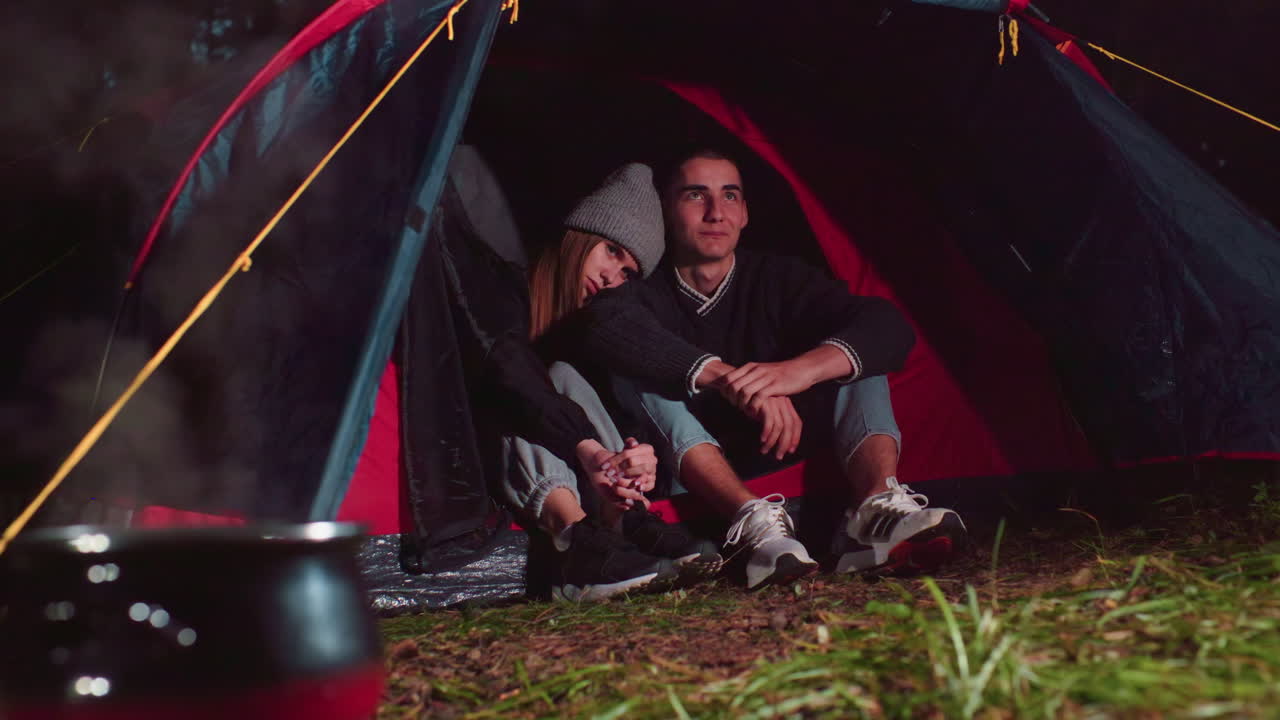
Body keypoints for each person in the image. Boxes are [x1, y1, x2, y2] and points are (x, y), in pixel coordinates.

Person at [573, 150, 967, 590]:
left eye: (729, 196)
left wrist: (795, 373)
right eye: (695, 195)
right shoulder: (645, 287)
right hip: (692, 475)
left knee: (857, 355)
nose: (715, 212)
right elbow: (603, 325)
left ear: (744, 213)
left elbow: (888, 326)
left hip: (782, 449)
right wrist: (733, 381)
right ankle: (751, 526)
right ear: (668, 210)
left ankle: (874, 511)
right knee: (639, 369)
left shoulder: (779, 277)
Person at [474, 163, 721, 602]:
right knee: (534, 387)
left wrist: (634, 462)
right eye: (611, 251)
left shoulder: (586, 330)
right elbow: (507, 375)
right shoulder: (503, 287)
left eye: (627, 273)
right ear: (581, 235)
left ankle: (628, 519)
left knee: (564, 375)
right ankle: (572, 543)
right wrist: (587, 448)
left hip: (577, 475)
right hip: (484, 457)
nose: (611, 277)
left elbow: (610, 410)